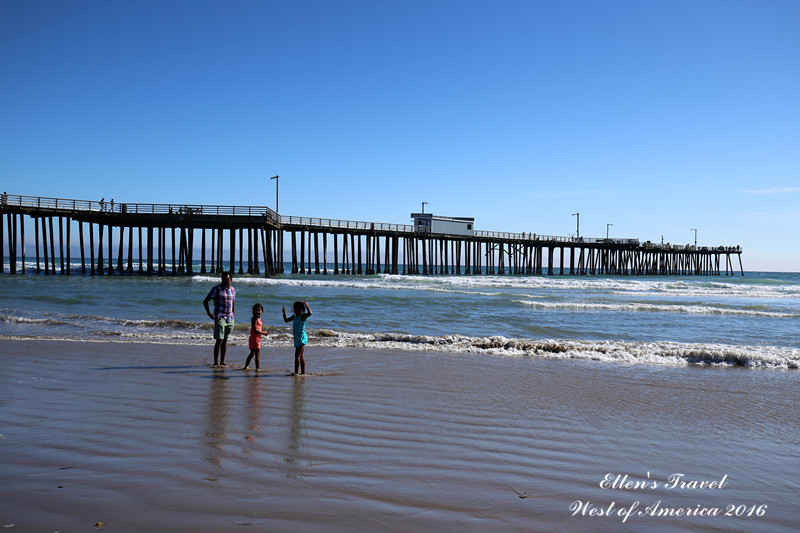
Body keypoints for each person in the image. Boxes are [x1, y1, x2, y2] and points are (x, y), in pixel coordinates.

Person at [203, 272, 236, 367]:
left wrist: (233, 314)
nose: (225, 280)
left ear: (231, 280)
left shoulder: (233, 290)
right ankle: (215, 362)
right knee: (219, 340)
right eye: (223, 278)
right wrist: (209, 313)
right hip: (220, 317)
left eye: (227, 278)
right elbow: (205, 301)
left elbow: (233, 303)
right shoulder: (216, 289)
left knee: (225, 340)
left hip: (230, 318)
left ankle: (222, 361)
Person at [282, 301, 312, 375]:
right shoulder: (295, 316)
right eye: (294, 308)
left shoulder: (303, 316)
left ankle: (296, 372)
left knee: (297, 355)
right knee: (300, 356)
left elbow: (310, 313)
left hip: (301, 337)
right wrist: (284, 312)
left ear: (302, 310)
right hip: (297, 337)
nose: (295, 310)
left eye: (297, 309)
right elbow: (286, 320)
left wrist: (307, 305)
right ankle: (302, 372)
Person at [243, 303, 268, 371]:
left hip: (255, 338)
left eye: (259, 310)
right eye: (256, 310)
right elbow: (255, 330)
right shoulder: (254, 319)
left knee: (252, 353)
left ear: (262, 311)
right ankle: (257, 368)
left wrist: (262, 333)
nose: (258, 312)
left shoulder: (258, 319)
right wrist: (264, 333)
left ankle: (246, 366)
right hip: (255, 338)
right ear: (253, 311)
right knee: (257, 354)